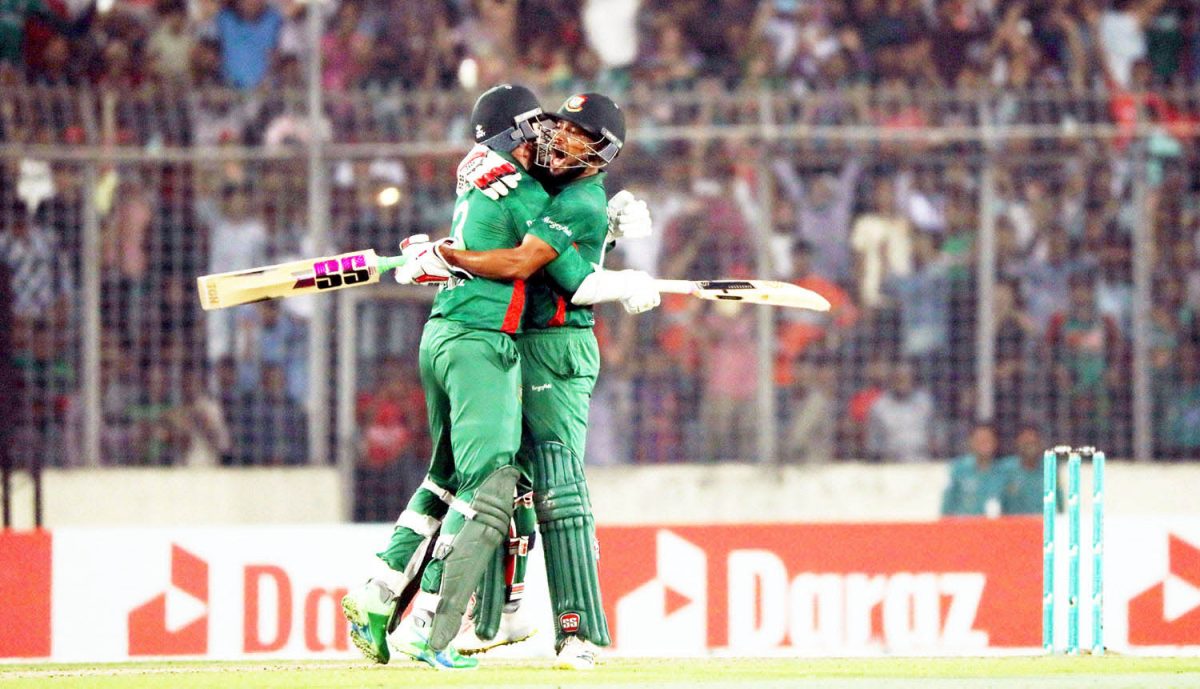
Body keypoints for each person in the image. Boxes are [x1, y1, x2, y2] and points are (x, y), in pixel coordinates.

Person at [340, 85, 656, 671]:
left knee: (446, 478)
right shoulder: (528, 190)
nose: (552, 136)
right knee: (490, 481)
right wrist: (622, 275)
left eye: (566, 130)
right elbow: (556, 272)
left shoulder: (481, 169)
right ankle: (432, 624)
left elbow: (550, 247)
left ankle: (379, 594)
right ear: (514, 136)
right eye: (542, 126)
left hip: (444, 333)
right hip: (484, 342)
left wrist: (603, 236)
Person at [436, 91, 651, 669]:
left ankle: (580, 632)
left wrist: (614, 263)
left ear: (602, 154)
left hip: (557, 347)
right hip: (509, 342)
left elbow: (547, 265)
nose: (561, 139)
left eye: (579, 135)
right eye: (559, 126)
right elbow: (502, 211)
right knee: (499, 481)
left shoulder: (581, 193)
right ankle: (495, 618)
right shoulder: (536, 176)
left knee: (557, 481)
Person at [941, 424, 1013, 517]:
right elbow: (947, 505)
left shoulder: (1004, 472)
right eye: (980, 440)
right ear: (971, 443)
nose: (984, 444)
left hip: (994, 528)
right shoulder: (958, 470)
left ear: (995, 443)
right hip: (964, 528)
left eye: (988, 440)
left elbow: (1010, 508)